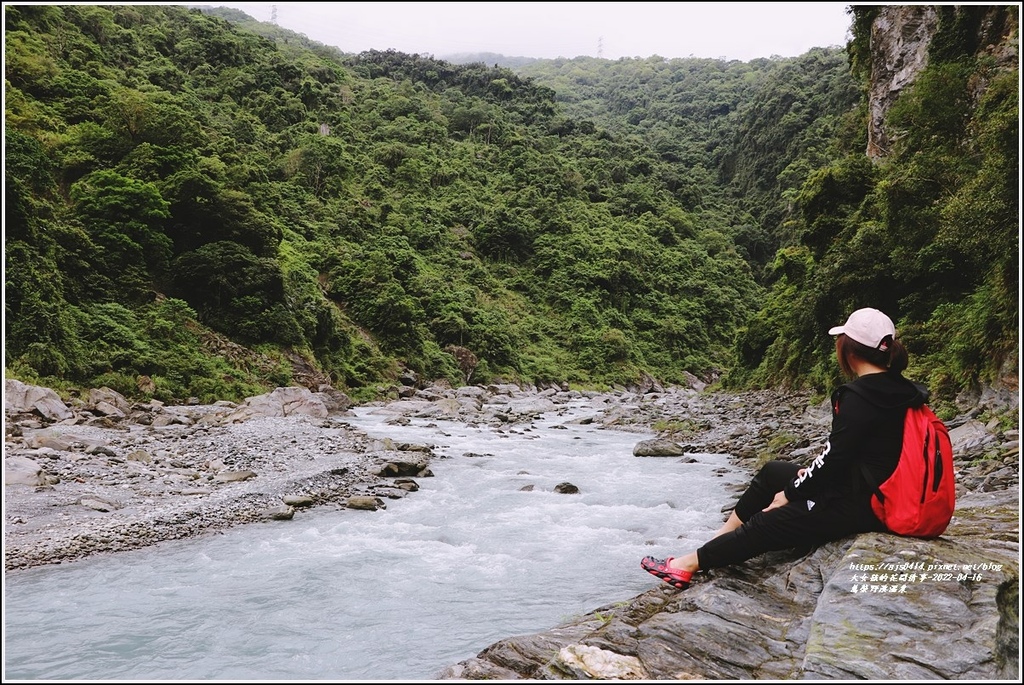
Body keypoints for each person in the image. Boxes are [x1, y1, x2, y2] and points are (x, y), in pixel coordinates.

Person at [641, 307, 930, 590]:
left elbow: (835, 458)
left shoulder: (859, 397)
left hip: (866, 505)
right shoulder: (903, 389)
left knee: (768, 522)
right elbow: (862, 454)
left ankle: (689, 564)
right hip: (878, 490)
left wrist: (791, 493)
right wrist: (800, 483)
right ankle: (717, 541)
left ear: (849, 350)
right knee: (773, 472)